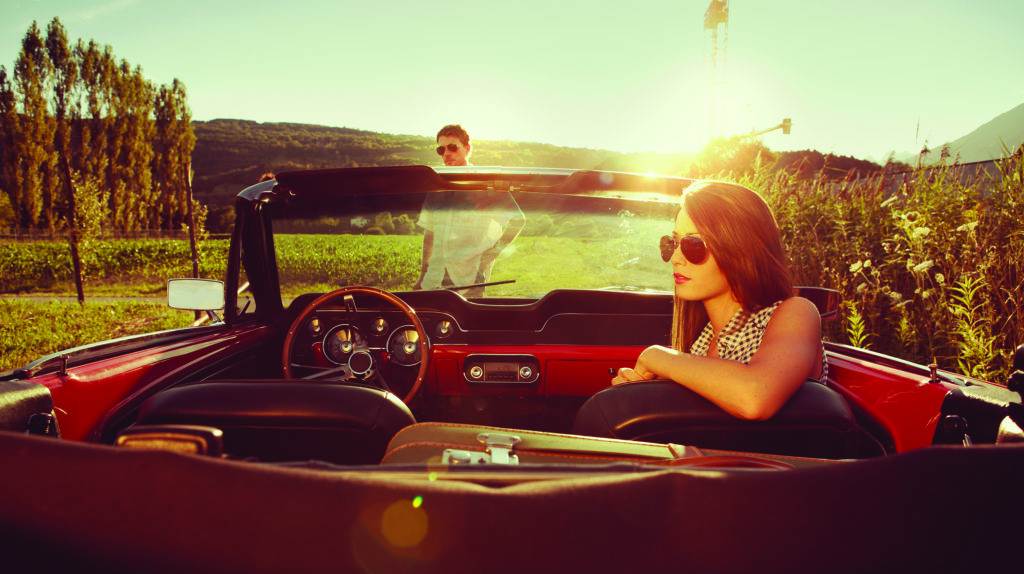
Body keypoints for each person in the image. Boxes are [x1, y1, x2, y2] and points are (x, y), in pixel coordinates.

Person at [610, 182, 825, 421]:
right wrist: (639, 389)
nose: (676, 258)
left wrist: (657, 357)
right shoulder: (699, 343)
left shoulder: (795, 313)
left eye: (693, 244)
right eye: (672, 243)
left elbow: (755, 398)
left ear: (739, 248)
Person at [413, 125, 525, 297]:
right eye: (441, 149)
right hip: (433, 280)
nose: (446, 153)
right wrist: (422, 276)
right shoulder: (435, 188)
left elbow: (517, 220)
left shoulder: (486, 184)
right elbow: (429, 234)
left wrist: (489, 256)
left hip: (470, 279)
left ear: (467, 148)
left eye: (452, 147)